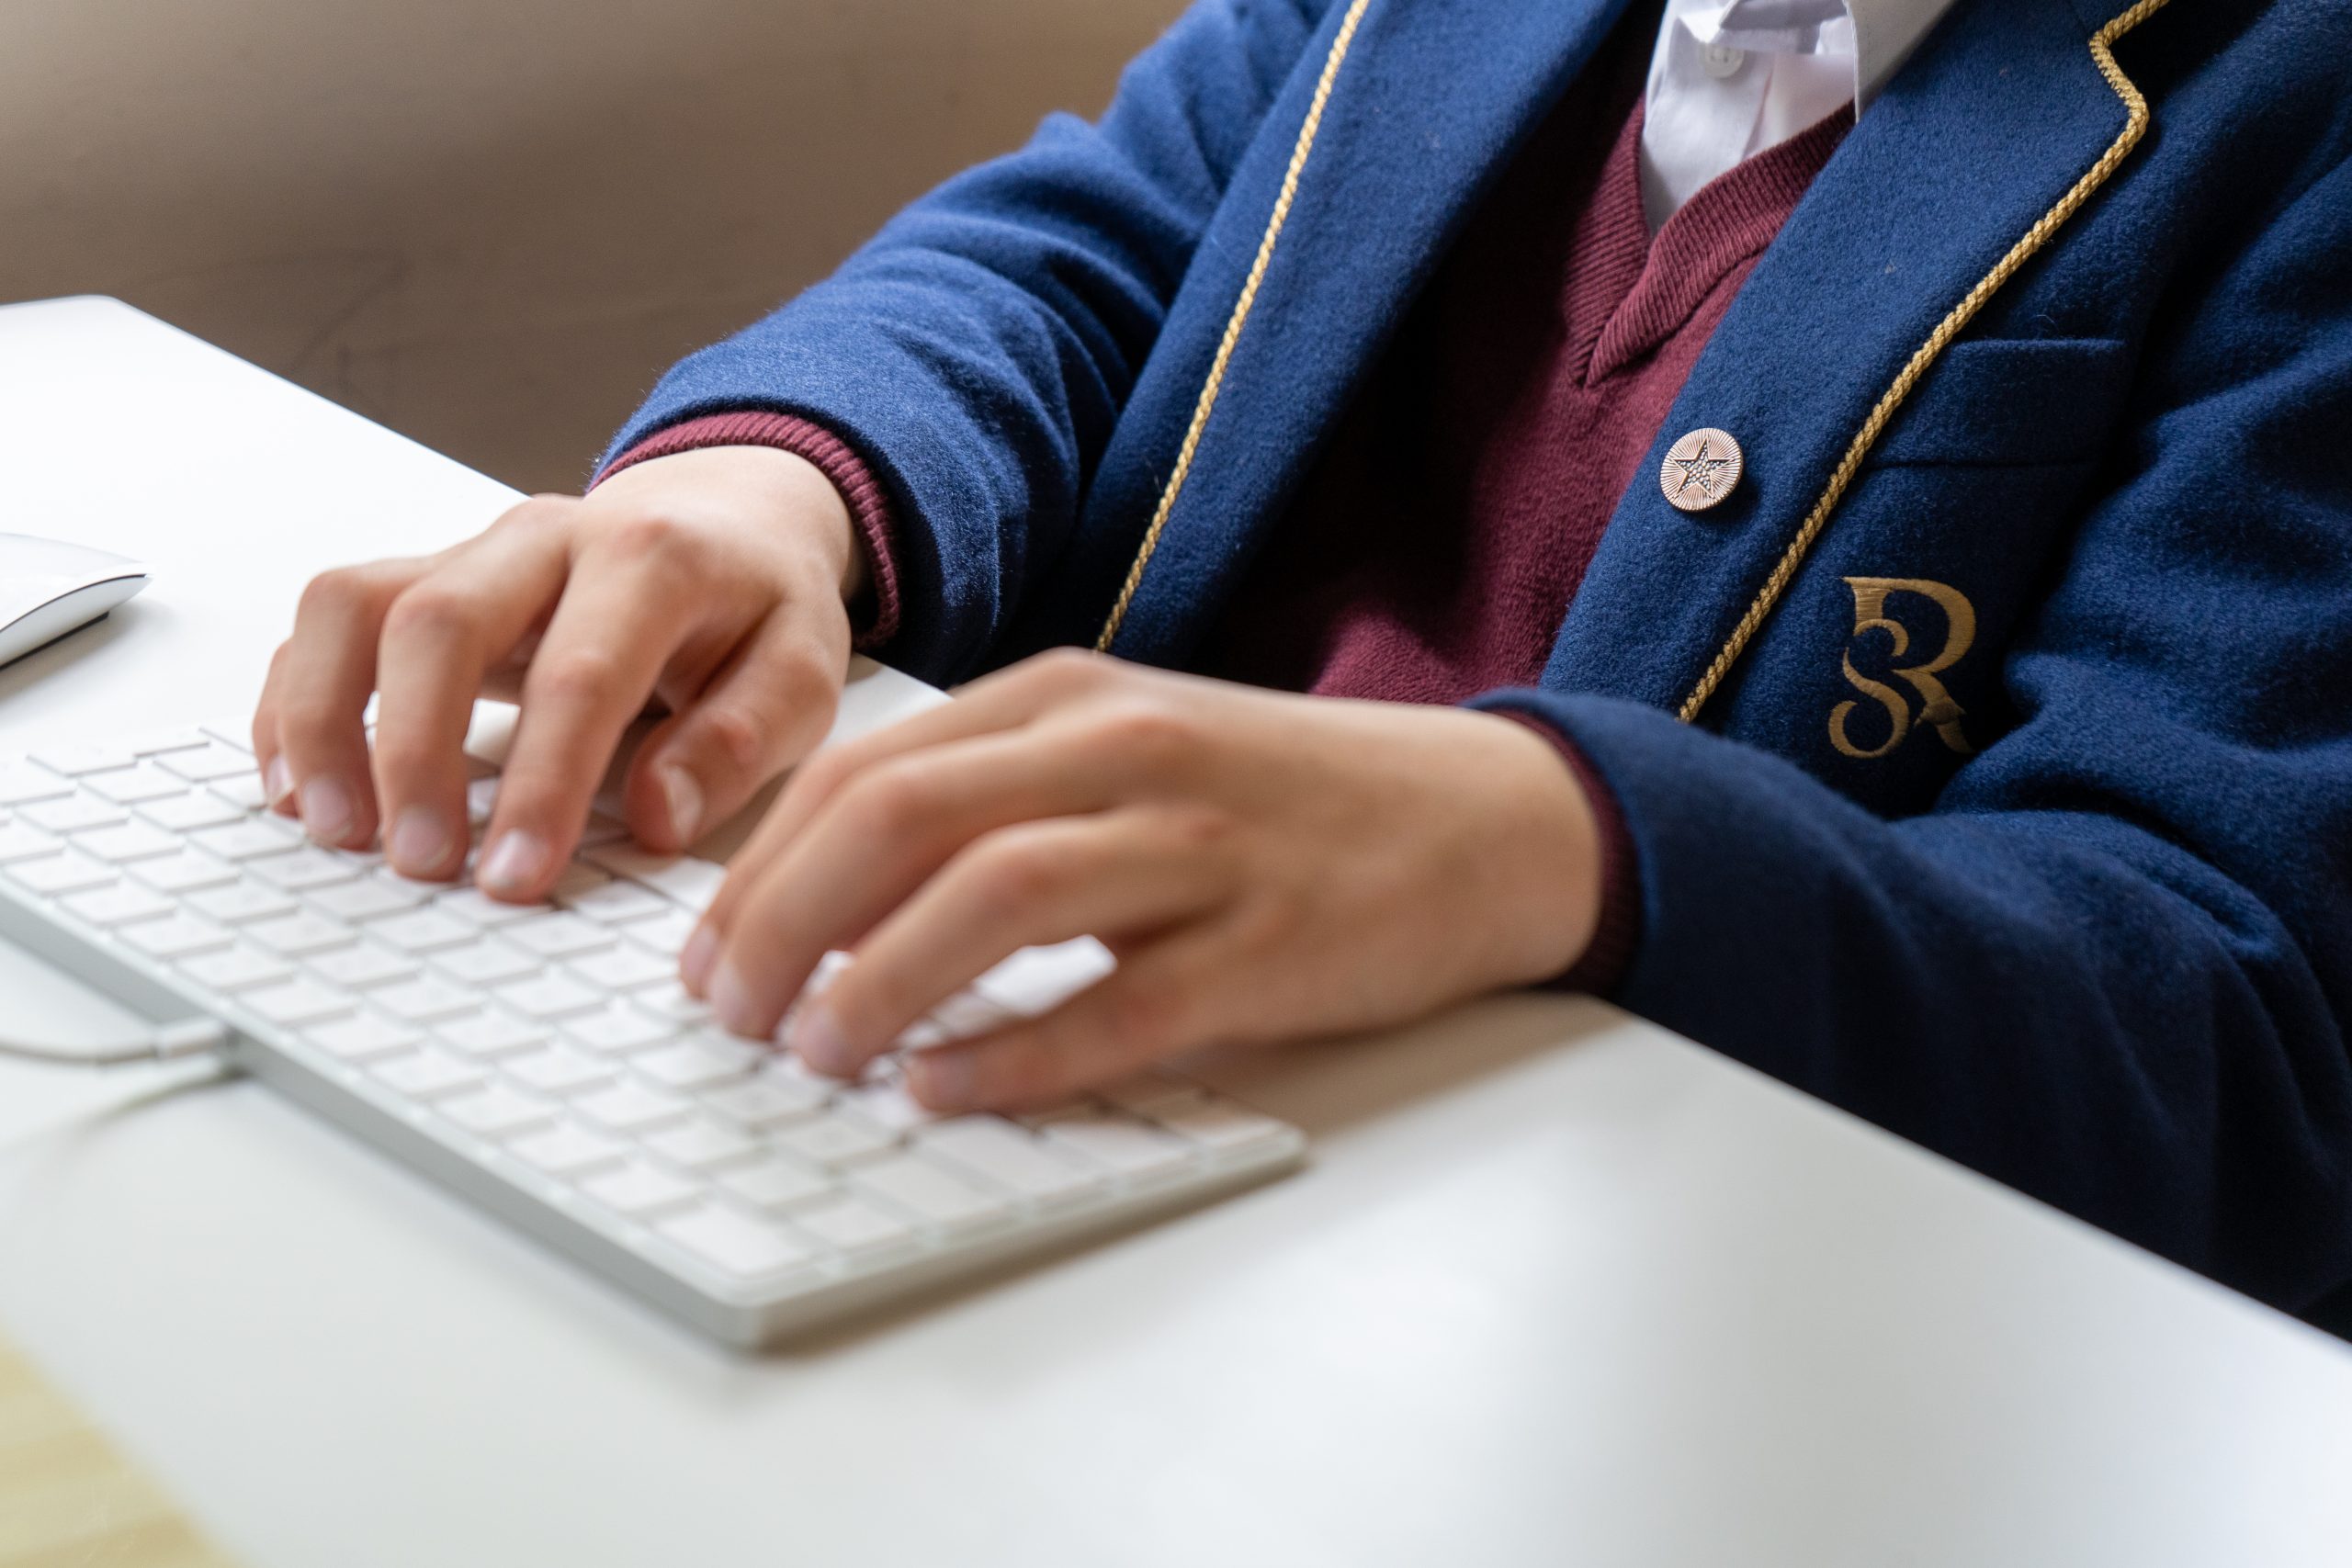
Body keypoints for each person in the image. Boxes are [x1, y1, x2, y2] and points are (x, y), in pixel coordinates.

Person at [250, 0, 2352, 1316]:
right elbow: (1082, 254)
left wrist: (1561, 840)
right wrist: (769, 489)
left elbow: (2240, 1023)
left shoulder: (2288, 111)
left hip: (1628, 1301)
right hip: (1047, 1103)